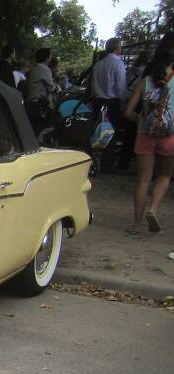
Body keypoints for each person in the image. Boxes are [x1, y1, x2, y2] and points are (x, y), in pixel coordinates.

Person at [123, 46, 174, 234]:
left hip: (145, 136)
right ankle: (153, 209)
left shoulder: (145, 82)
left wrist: (143, 120)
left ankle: (136, 225)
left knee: (143, 180)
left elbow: (128, 112)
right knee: (164, 176)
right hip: (170, 137)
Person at [91, 38, 130, 171]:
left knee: (98, 130)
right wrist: (124, 102)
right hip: (112, 102)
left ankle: (95, 158)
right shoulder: (118, 64)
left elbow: (93, 85)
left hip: (98, 101)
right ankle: (107, 163)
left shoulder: (98, 64)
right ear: (117, 48)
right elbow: (120, 87)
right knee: (111, 132)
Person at [26, 48, 57, 135]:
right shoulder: (44, 69)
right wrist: (55, 86)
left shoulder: (33, 68)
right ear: (47, 58)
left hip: (31, 102)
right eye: (50, 55)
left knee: (33, 129)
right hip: (40, 105)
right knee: (47, 127)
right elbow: (51, 87)